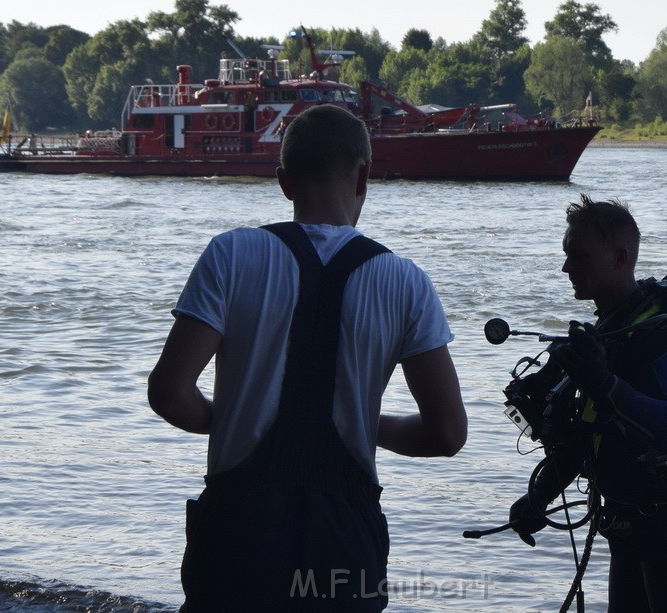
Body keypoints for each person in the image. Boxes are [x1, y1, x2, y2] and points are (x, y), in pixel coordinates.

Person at [147, 104, 468, 612]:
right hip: (343, 539)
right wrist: (368, 424)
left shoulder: (230, 254)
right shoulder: (407, 281)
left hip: (238, 531)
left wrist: (230, 417)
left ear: (283, 181)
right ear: (363, 175)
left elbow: (169, 393)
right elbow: (447, 434)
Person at [508, 195, 667, 612]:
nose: (567, 268)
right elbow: (589, 431)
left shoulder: (656, 334)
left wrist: (603, 382)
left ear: (621, 256)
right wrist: (538, 500)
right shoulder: (609, 333)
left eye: (580, 256)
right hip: (626, 524)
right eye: (566, 256)